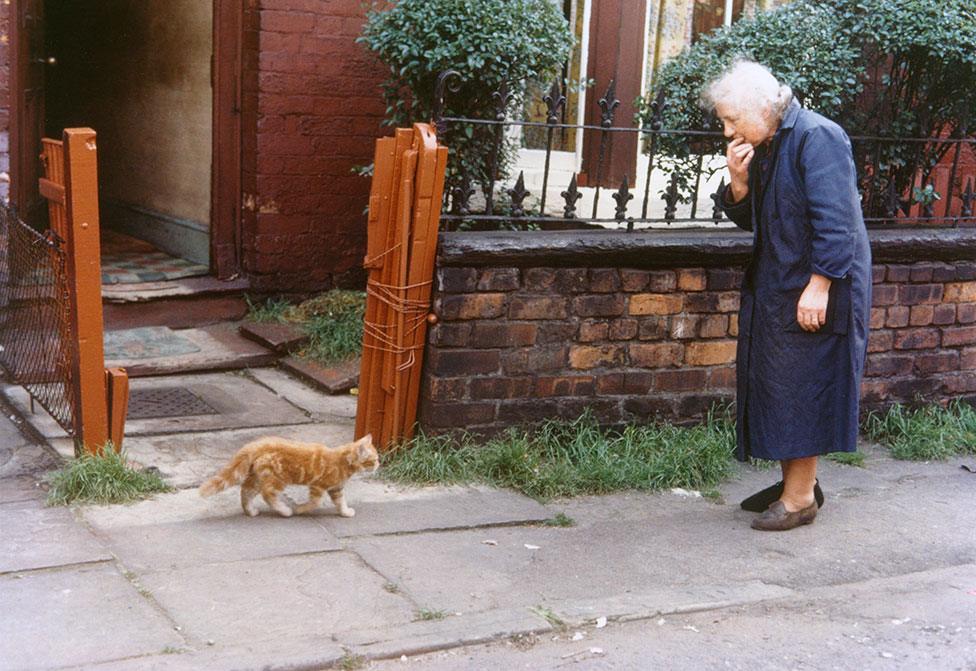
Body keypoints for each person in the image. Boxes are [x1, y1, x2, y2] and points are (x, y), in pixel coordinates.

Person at [703, 60, 871, 531]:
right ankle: (795, 485)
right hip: (782, 281)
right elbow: (758, 220)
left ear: (761, 108)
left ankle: (800, 500)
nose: (726, 130)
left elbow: (837, 222)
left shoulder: (818, 137)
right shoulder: (772, 141)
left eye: (732, 119)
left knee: (804, 382)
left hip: (819, 282)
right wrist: (738, 182)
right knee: (779, 382)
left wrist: (820, 286)